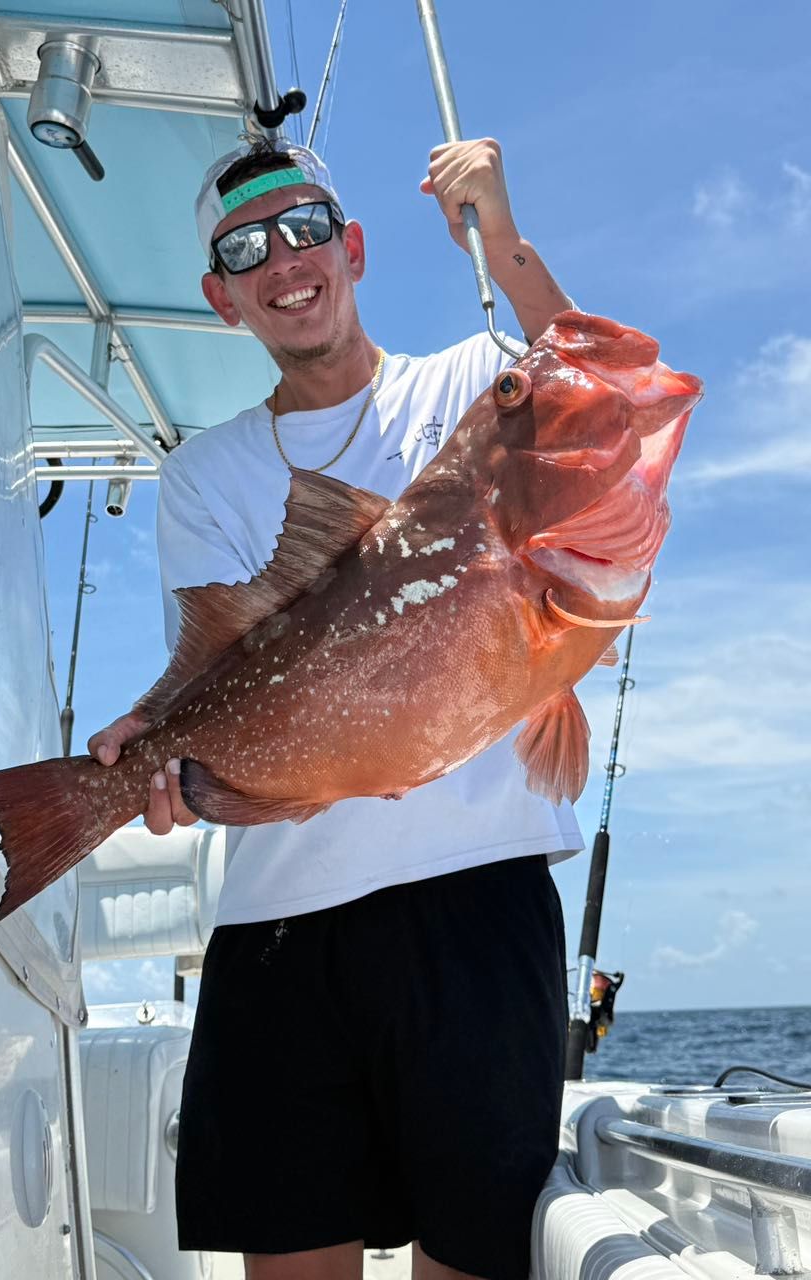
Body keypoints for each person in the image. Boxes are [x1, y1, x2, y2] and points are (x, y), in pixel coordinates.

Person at [89, 135, 581, 1280]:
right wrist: (148, 746)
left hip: (478, 901)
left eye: (306, 227)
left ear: (351, 248)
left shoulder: (475, 382)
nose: (284, 260)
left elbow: (595, 386)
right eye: (246, 248)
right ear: (223, 298)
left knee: (476, 1255)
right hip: (278, 934)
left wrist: (502, 243)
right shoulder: (202, 474)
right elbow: (202, 667)